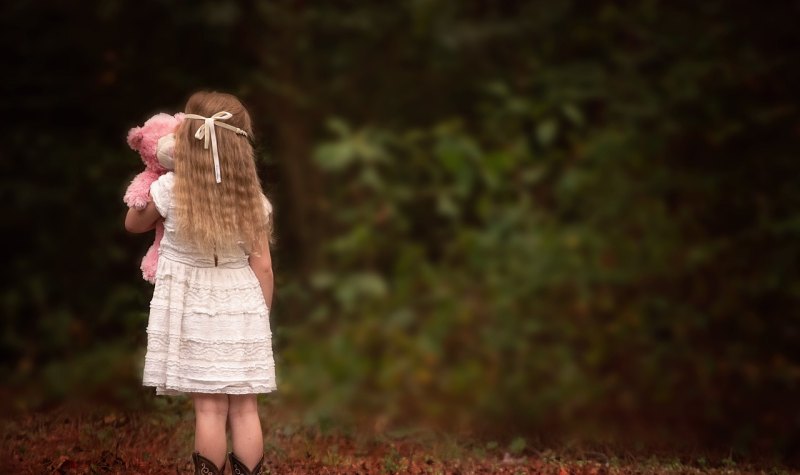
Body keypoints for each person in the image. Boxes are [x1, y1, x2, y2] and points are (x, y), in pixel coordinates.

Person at [125, 91, 276, 475]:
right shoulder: (252, 199)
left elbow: (133, 223)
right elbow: (264, 267)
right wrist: (261, 317)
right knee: (244, 407)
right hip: (242, 304)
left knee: (209, 409)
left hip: (191, 304)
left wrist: (157, 174)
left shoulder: (173, 189)